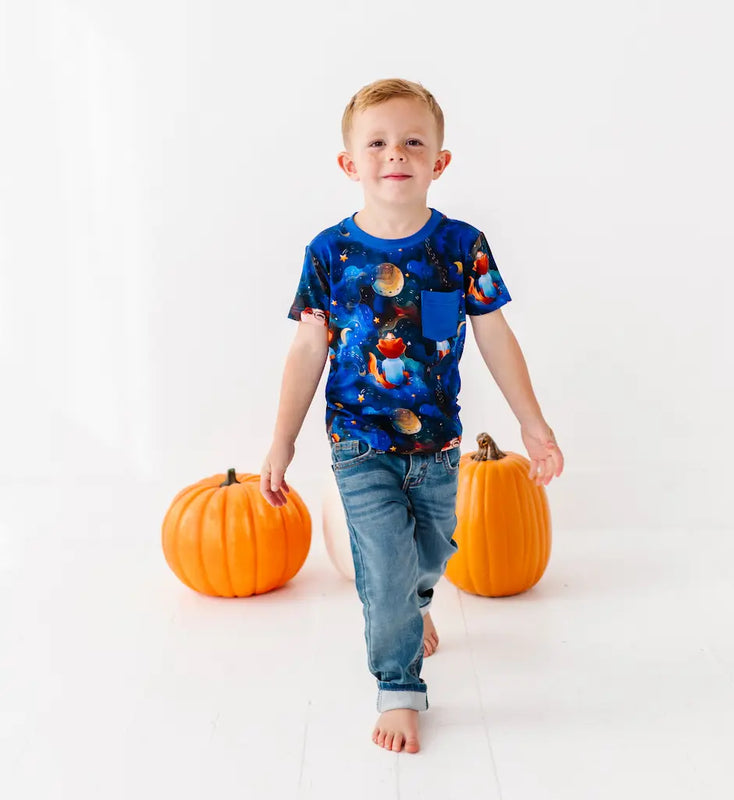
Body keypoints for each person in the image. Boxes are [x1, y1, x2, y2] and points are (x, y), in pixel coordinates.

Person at [260, 78, 564, 754]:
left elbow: (493, 333)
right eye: (377, 142)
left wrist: (532, 423)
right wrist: (280, 442)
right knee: (386, 567)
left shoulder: (460, 246)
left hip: (437, 443)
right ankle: (398, 686)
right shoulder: (329, 254)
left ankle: (412, 606)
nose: (395, 152)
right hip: (357, 440)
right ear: (349, 164)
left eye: (412, 141)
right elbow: (308, 347)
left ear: (439, 161)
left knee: (431, 554)